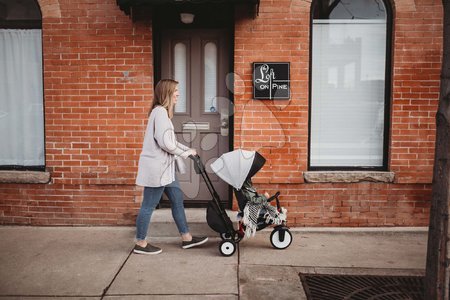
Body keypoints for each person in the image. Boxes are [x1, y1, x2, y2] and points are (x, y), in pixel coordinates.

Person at [134, 79, 208, 255]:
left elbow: (171, 142)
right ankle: (140, 243)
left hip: (166, 170)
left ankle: (187, 238)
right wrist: (185, 153)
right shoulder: (159, 113)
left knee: (177, 200)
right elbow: (166, 144)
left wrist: (188, 150)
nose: (178, 94)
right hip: (158, 170)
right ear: (166, 92)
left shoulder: (162, 113)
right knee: (148, 206)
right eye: (175, 90)